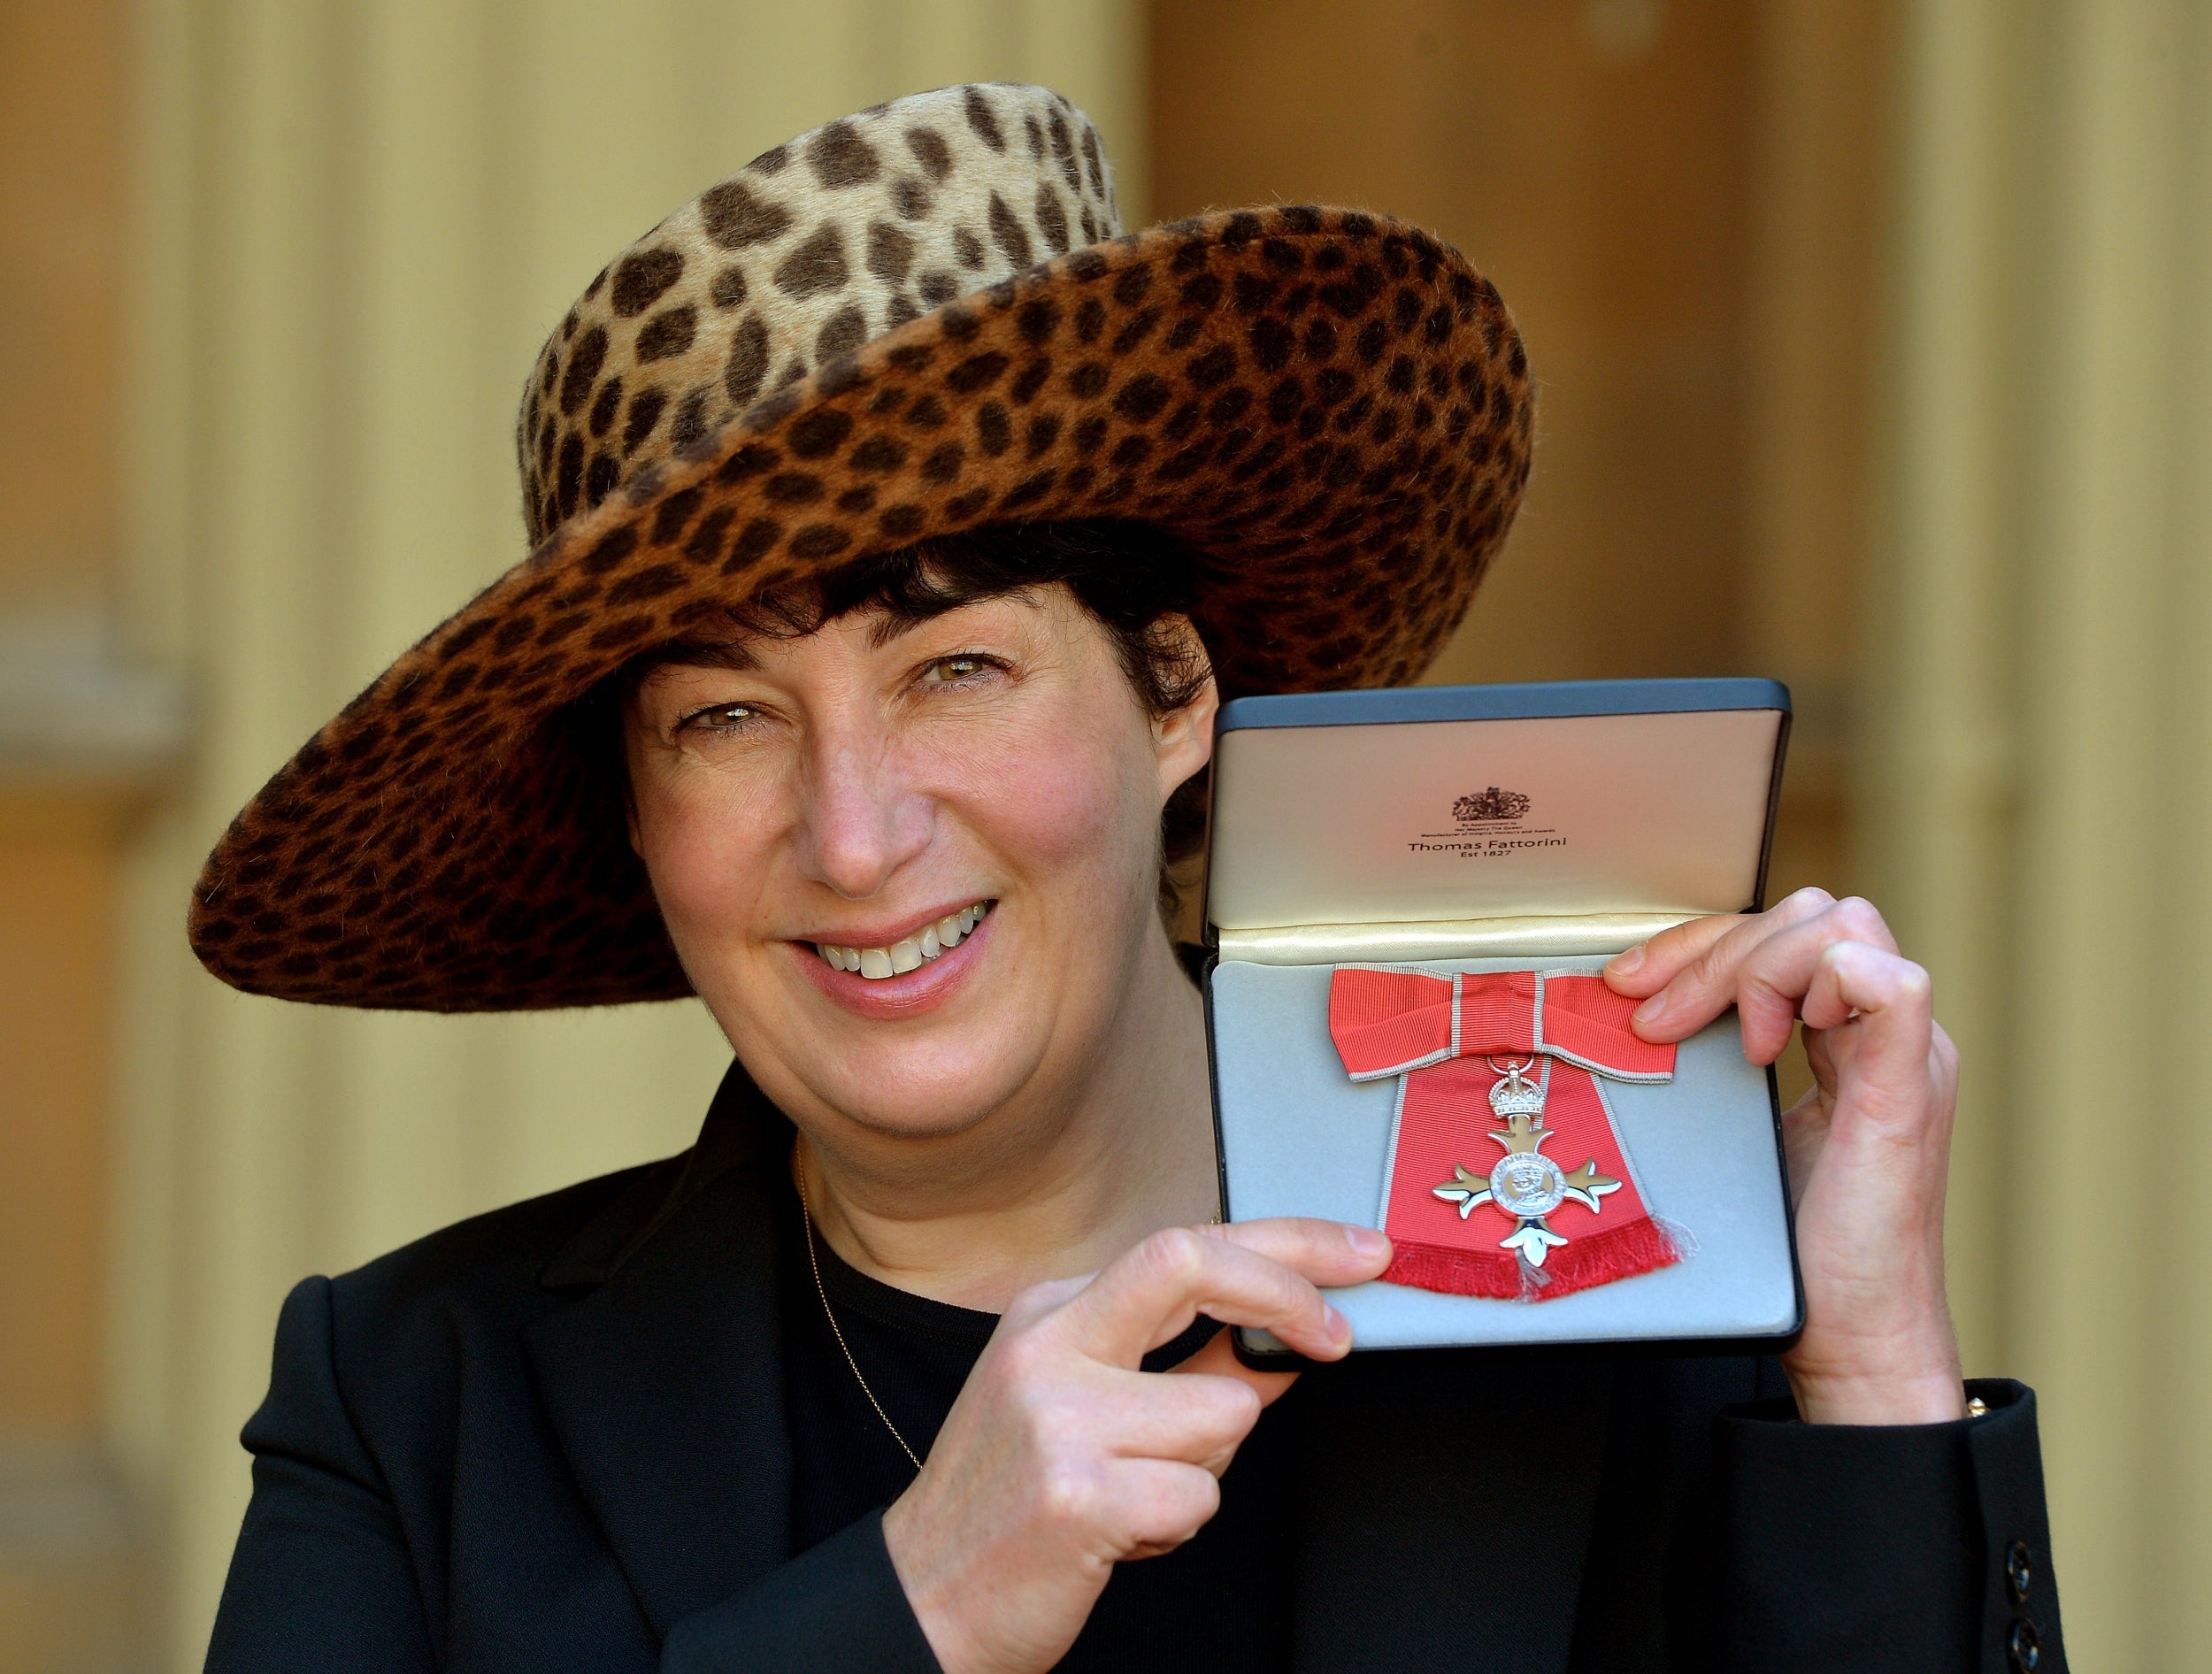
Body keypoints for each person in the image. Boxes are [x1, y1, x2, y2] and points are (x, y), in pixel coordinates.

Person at [191, 85, 2063, 1672]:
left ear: (1172, 694)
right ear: (631, 809)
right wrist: (907, 1608)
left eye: (956, 669)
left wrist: (1869, 1364)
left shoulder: (1609, 1300)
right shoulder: (411, 1399)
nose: (852, 836)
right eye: (724, 718)